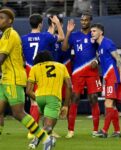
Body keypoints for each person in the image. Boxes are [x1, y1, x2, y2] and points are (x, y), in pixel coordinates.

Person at [0, 8, 54, 150]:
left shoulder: (10, 35)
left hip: (13, 79)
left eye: (1, 18)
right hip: (5, 79)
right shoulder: (5, 35)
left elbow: (1, 58)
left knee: (18, 113)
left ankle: (45, 139)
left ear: (10, 21)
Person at [21, 13, 64, 139]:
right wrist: (57, 24)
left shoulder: (23, 38)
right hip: (43, 71)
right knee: (45, 101)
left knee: (34, 101)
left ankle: (34, 130)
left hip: (29, 69)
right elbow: (61, 37)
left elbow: (21, 55)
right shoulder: (45, 36)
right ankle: (40, 130)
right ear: (40, 24)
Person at [62, 11, 102, 138]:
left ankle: (95, 130)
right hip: (78, 72)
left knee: (93, 99)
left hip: (92, 73)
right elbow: (64, 48)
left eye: (86, 20)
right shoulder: (74, 35)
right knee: (74, 99)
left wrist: (97, 60)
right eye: (82, 20)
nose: (84, 22)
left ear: (90, 21)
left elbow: (102, 51)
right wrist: (68, 32)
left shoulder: (95, 35)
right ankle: (71, 130)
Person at [26, 50, 72, 147]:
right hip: (54, 98)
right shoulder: (61, 66)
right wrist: (66, 105)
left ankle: (49, 142)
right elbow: (69, 86)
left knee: (47, 123)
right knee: (48, 126)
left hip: (39, 98)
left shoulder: (34, 68)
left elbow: (28, 91)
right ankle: (36, 140)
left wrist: (37, 98)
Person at [90, 23, 121, 138]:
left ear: (101, 32)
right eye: (91, 31)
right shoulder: (99, 46)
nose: (92, 33)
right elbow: (104, 59)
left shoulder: (107, 43)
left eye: (94, 31)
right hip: (108, 77)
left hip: (113, 76)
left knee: (108, 103)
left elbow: (118, 58)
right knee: (113, 106)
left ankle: (104, 130)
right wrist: (96, 62)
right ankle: (117, 132)